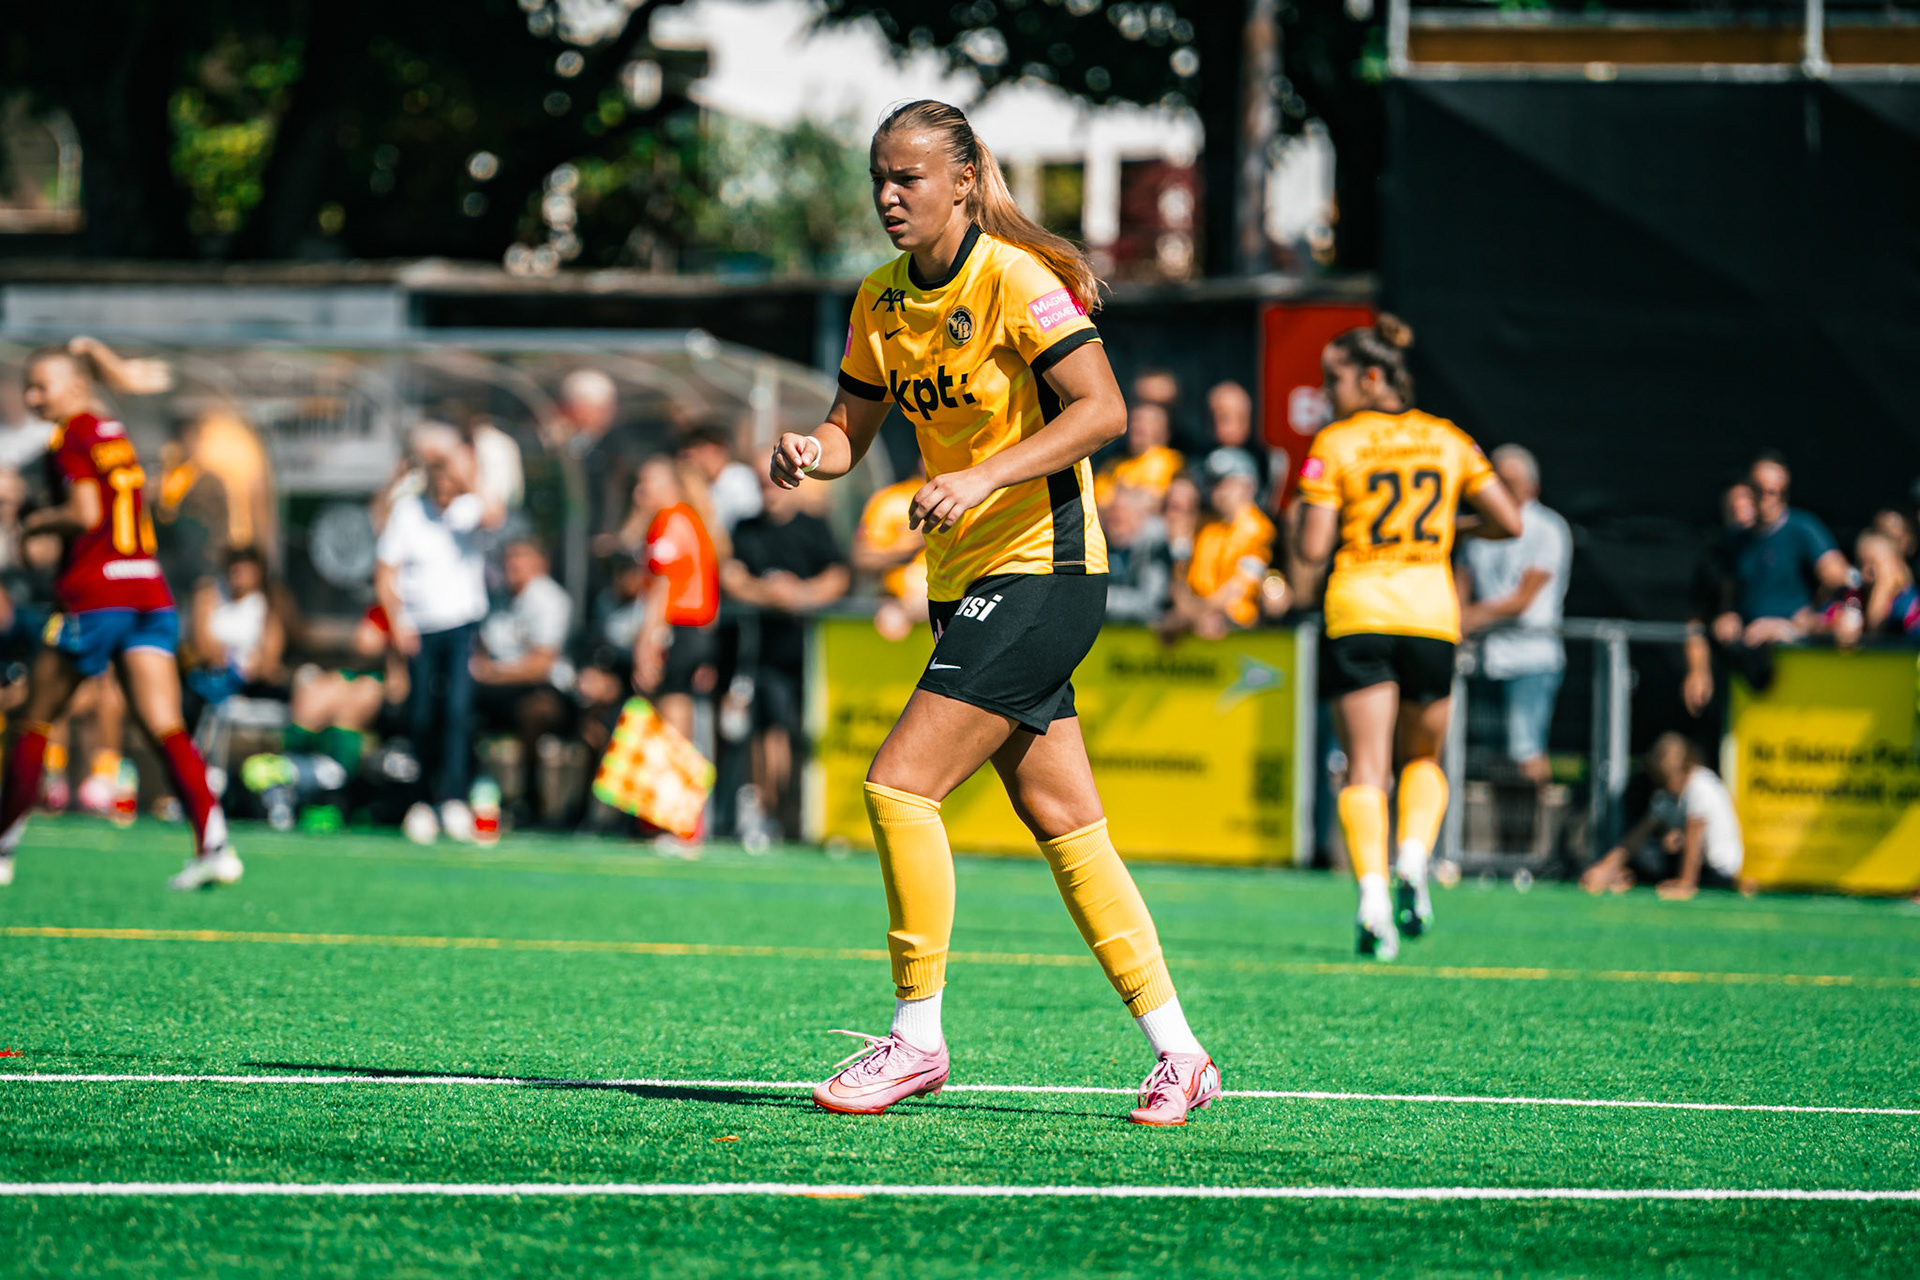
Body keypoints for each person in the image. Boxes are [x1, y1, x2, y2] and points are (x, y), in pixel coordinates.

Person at [773, 98, 1219, 1126]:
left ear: (965, 184)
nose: (889, 194)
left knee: (897, 786)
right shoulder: (881, 298)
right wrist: (811, 450)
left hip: (1045, 569)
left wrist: (982, 479)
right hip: (962, 580)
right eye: (879, 176)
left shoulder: (1017, 278)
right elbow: (852, 427)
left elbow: (1100, 411)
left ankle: (916, 1039)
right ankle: (1181, 1052)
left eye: (910, 177)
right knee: (1070, 827)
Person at [1285, 315, 1522, 957]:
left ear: (1370, 377)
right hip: (1429, 614)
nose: (1327, 391)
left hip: (1360, 609)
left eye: (1333, 378)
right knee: (1422, 759)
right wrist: (1449, 532)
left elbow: (1313, 546)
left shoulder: (1335, 443)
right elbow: (1510, 520)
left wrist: (1303, 522)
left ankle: (1370, 896)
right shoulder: (1447, 439)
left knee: (1365, 766)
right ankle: (1414, 863)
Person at [0, 342, 238, 891]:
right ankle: (215, 845)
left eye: (43, 386)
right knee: (166, 726)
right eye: (28, 387)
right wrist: (103, 360)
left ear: (76, 388)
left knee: (32, 719)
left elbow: (86, 514)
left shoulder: (72, 436)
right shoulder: (109, 429)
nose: (34, 396)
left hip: (97, 596)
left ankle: (4, 847)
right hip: (147, 594)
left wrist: (37, 524)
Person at [374, 423, 495, 844]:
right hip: (420, 629)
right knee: (423, 713)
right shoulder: (409, 513)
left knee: (459, 711)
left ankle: (455, 798)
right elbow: (385, 572)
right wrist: (398, 621)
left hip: (461, 625)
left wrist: (467, 471)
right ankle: (422, 799)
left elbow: (495, 513)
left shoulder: (468, 510)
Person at [722, 460, 851, 841]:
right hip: (761, 651)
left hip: (812, 652)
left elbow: (838, 574)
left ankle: (797, 813)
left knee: (806, 734)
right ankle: (769, 810)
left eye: (775, 483)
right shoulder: (746, 528)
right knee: (768, 730)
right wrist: (771, 595)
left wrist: (804, 595)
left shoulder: (812, 526)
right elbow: (732, 576)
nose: (770, 491)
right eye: (762, 484)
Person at [1458, 444, 1573, 791]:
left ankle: (1536, 841)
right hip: (1482, 661)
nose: (1499, 489)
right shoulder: (1478, 530)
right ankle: (1485, 840)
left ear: (1531, 487)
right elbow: (1460, 583)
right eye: (1495, 481)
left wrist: (1471, 617)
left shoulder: (1548, 528)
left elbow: (1523, 598)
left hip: (1530, 660)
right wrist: (1457, 616)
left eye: (1508, 482)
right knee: (1481, 759)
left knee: (1526, 753)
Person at [472, 538, 574, 821]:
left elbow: (540, 666)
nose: (513, 564)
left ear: (541, 562)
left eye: (521, 557)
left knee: (534, 712)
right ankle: (467, 793)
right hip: (498, 689)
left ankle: (531, 796)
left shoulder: (550, 600)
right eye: (510, 557)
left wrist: (491, 672)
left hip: (544, 690)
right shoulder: (498, 601)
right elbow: (482, 650)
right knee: (458, 707)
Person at [1580, 733, 1745, 899]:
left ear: (1685, 769)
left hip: (1717, 872)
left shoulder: (1700, 787)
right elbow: (1635, 838)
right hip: (1695, 865)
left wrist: (1685, 884)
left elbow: (1694, 839)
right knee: (1650, 852)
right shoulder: (1667, 793)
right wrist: (1604, 868)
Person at [633, 456, 721, 745]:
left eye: (644, 486)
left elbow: (662, 586)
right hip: (696, 630)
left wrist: (646, 644)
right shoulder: (691, 519)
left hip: (679, 628)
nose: (638, 494)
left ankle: (675, 786)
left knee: (671, 713)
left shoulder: (669, 521)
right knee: (680, 705)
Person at [1166, 449, 1274, 640]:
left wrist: (1187, 616)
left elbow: (1237, 589)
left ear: (1248, 486)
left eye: (1224, 483)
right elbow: (1182, 579)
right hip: (1198, 625)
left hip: (1237, 630)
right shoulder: (1206, 526)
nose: (1216, 491)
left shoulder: (1258, 529)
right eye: (1212, 483)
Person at [677, 421, 762, 536]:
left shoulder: (741, 481)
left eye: (700, 450)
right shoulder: (701, 486)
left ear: (719, 449)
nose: (695, 459)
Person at [1093, 402, 1183, 507]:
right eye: (1134, 420)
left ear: (1164, 430)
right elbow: (1099, 501)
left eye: (1147, 421)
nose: (1136, 425)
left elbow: (1156, 500)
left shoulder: (1173, 462)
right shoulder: (1111, 465)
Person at [1204, 380, 1270, 494]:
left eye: (1241, 418)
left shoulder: (1266, 460)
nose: (1234, 426)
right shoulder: (1196, 459)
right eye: (1225, 418)